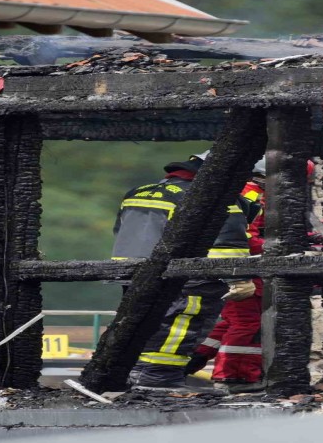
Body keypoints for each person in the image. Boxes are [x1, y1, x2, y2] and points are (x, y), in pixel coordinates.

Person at [112, 153, 259, 390]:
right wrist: (240, 279)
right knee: (179, 326)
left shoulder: (139, 192)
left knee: (138, 322)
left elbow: (121, 231)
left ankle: (134, 374)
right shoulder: (211, 196)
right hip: (187, 277)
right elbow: (227, 242)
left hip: (130, 270)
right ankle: (157, 378)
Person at [186, 158, 267, 394]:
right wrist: (279, 248)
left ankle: (192, 359)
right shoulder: (252, 194)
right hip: (243, 269)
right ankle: (234, 377)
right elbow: (246, 237)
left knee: (231, 322)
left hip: (239, 268)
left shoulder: (248, 192)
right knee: (247, 323)